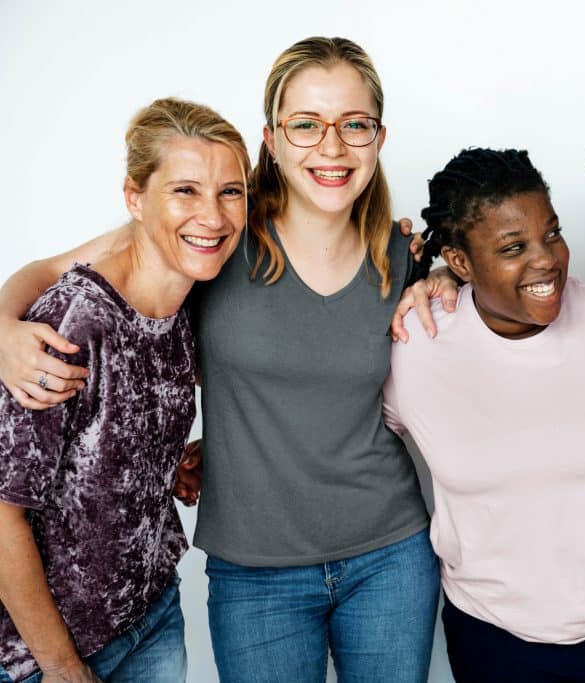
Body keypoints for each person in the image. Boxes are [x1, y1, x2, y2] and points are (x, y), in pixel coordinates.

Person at [0, 38, 438, 683]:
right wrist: (2, 326)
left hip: (390, 554)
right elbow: (50, 271)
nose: (333, 146)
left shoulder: (403, 256)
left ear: (379, 135)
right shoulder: (214, 232)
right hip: (254, 570)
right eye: (306, 124)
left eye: (355, 124)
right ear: (272, 137)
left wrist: (445, 277)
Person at [383, 147, 585, 682]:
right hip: (496, 641)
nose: (547, 260)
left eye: (552, 234)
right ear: (461, 262)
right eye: (513, 247)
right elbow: (340, 428)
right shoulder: (416, 347)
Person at [0, 98, 249, 683]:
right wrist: (61, 668)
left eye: (230, 192)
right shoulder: (72, 325)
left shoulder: (191, 298)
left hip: (152, 617)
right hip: (52, 655)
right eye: (185, 190)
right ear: (135, 197)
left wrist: (171, 466)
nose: (211, 216)